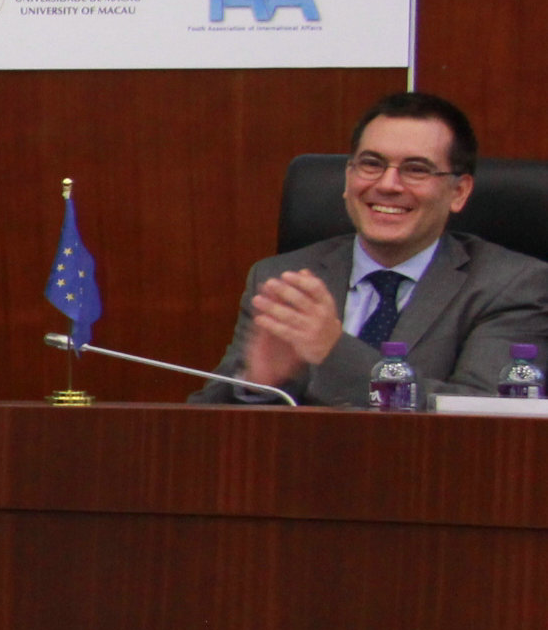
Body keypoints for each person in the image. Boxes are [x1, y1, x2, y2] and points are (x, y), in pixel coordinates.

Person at [197, 90, 548, 407]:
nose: (388, 184)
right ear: (349, 177)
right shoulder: (282, 278)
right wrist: (257, 384)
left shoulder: (512, 285)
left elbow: (487, 415)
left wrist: (333, 351)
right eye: (371, 164)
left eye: (416, 169)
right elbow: (206, 423)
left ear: (459, 192)